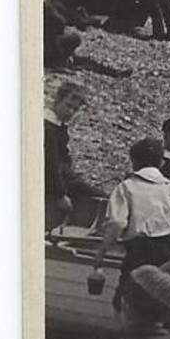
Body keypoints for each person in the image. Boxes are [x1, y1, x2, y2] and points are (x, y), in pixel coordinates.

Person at [91, 138, 170, 304]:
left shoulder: (126, 187)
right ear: (161, 163)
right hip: (168, 252)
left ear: (133, 161)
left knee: (127, 298)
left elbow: (117, 223)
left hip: (139, 252)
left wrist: (102, 253)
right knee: (161, 298)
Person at [45, 80, 101, 231]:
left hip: (63, 177)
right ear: (57, 100)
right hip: (54, 182)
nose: (70, 112)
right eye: (68, 106)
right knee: (98, 197)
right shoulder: (47, 126)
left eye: (74, 110)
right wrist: (60, 194)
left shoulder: (59, 126)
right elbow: (50, 164)